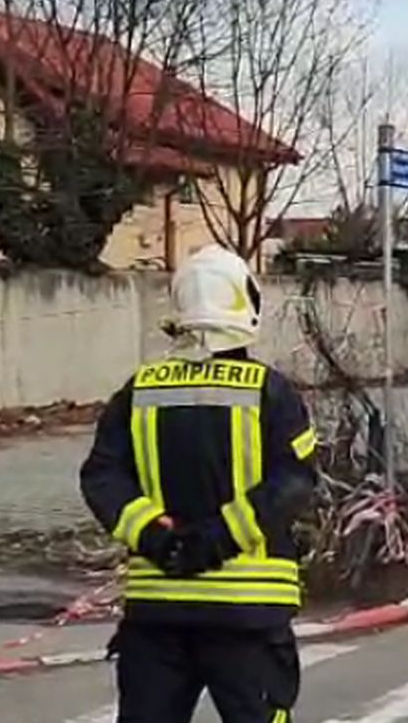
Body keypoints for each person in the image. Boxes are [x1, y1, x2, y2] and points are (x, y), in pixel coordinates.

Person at [80, 245, 316, 723]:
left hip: (157, 613)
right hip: (248, 616)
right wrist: (217, 538)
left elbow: (102, 476)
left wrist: (153, 534)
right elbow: (294, 482)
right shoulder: (269, 391)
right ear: (245, 305)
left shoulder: (139, 390)